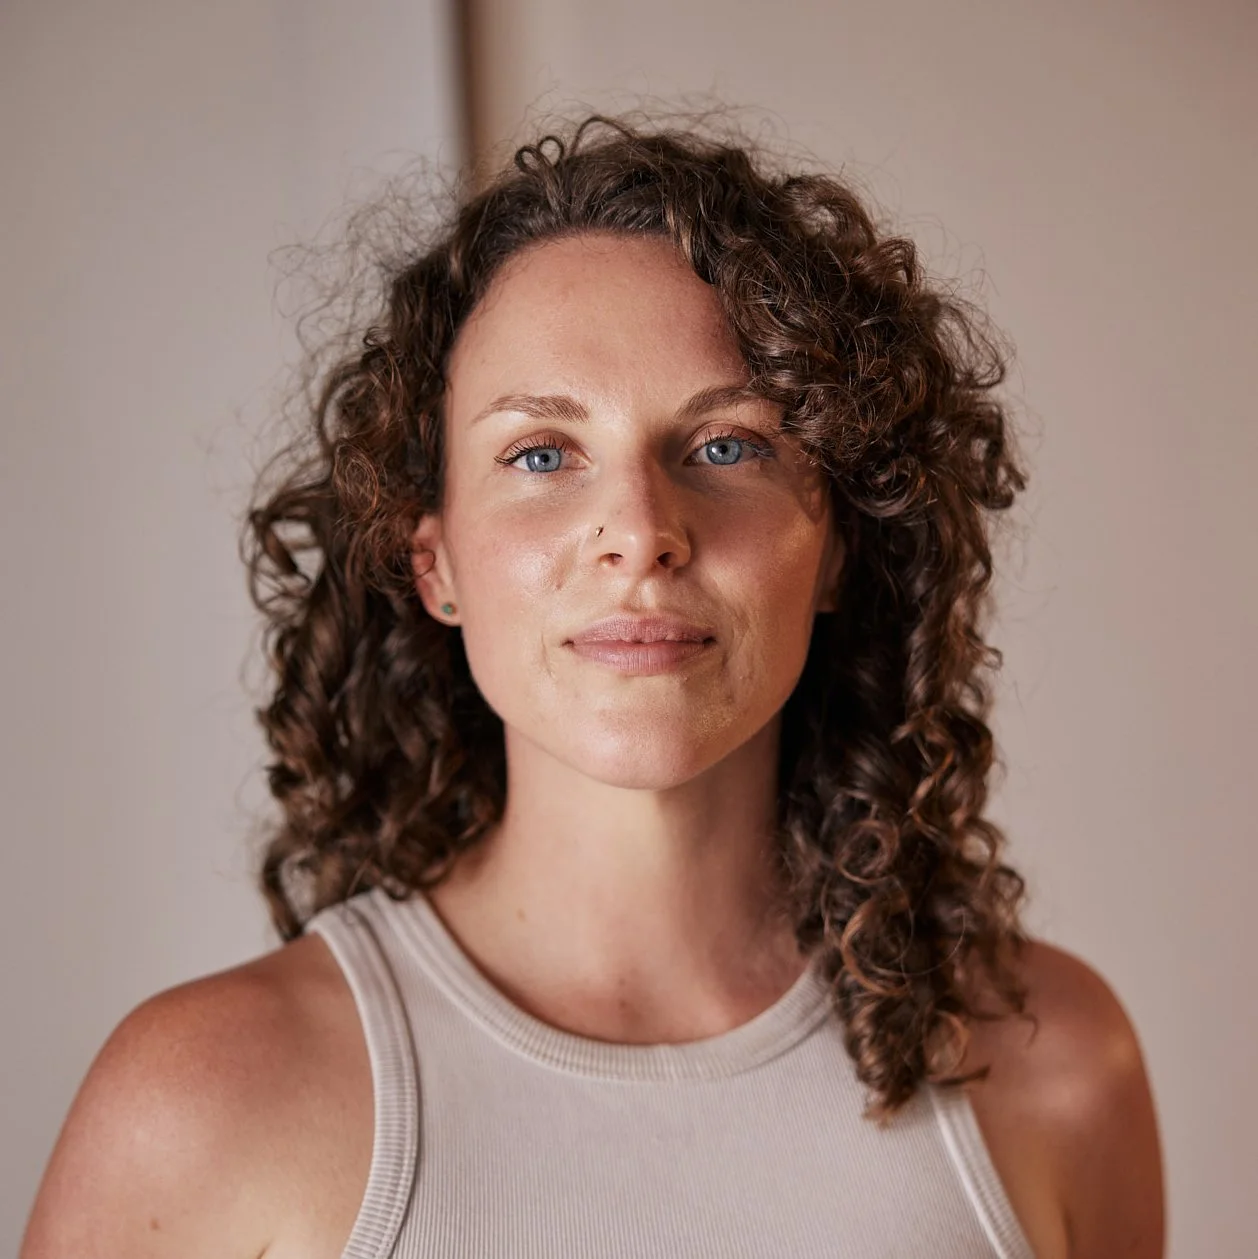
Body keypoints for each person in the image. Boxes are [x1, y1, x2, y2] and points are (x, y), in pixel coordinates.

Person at [21, 114, 1164, 1258]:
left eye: (727, 445)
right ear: (437, 562)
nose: (640, 533)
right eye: (539, 455)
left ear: (838, 550)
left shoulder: (1052, 1062)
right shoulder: (198, 1108)